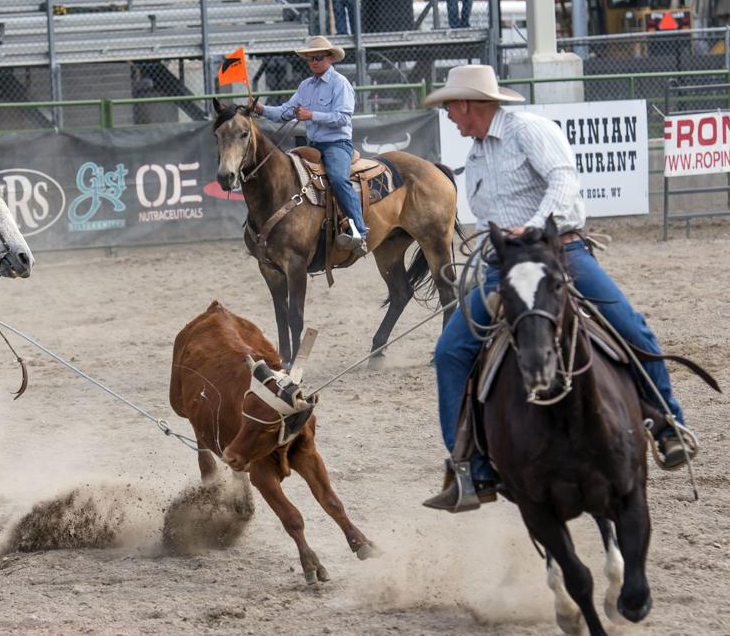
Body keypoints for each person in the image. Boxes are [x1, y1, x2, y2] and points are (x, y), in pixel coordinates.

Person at [420, 64, 699, 511]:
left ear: (469, 103)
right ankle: (469, 467)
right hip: (504, 269)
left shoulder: (528, 130)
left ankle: (668, 426)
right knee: (450, 352)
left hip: (560, 254)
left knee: (630, 325)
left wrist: (531, 227)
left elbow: (564, 181)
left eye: (451, 106)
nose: (450, 116)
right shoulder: (474, 156)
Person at [250, 35, 367, 253]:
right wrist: (262, 110)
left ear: (330, 58)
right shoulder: (305, 86)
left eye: (318, 58)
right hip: (313, 145)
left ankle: (360, 231)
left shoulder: (340, 83)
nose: (313, 62)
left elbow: (343, 118)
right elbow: (285, 112)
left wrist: (311, 115)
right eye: (310, 59)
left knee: (339, 179)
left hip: (337, 144)